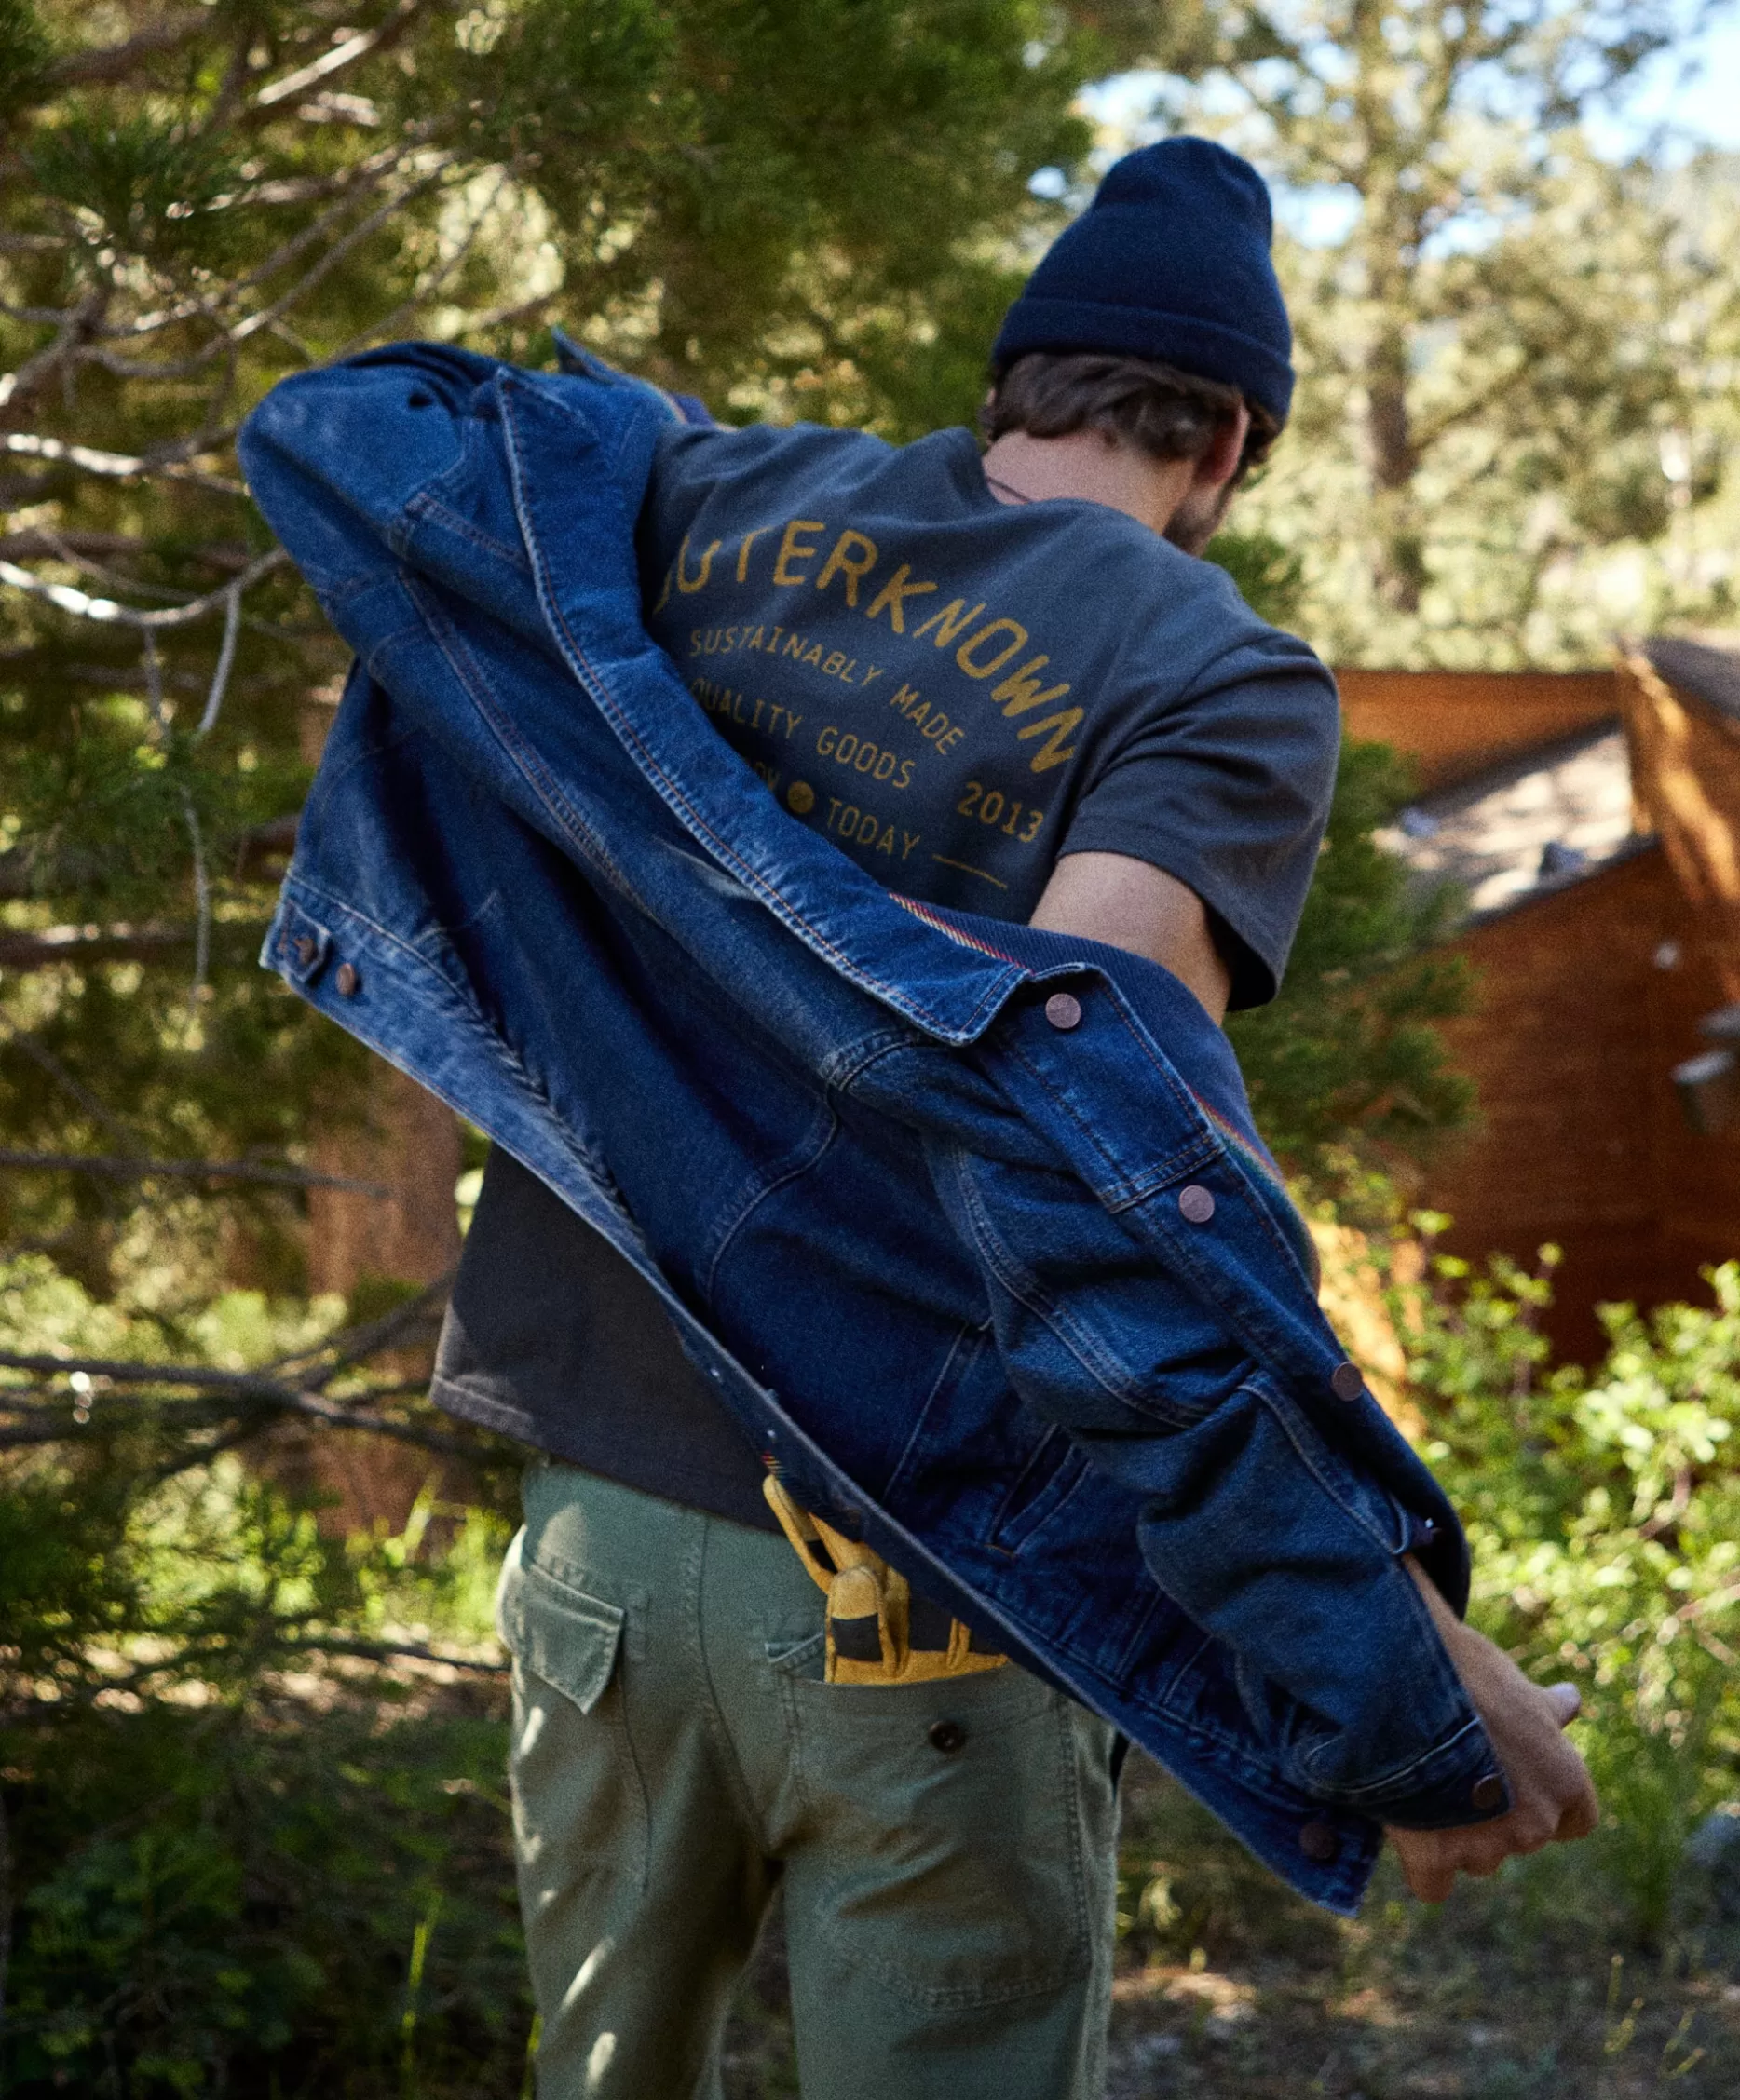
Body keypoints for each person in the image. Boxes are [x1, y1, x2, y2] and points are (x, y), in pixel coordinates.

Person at [416, 139, 1596, 2097]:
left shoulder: (700, 491)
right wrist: (1383, 1639)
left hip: (594, 1533)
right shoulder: (1210, 668)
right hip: (913, 1575)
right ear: (1224, 443)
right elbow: (1081, 1139)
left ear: (1009, 389)